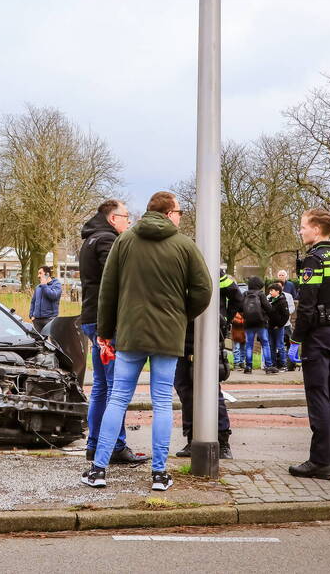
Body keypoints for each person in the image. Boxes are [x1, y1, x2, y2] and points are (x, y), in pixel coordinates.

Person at [80, 191, 212, 492]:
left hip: (130, 334)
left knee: (117, 398)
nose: (180, 216)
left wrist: (105, 330)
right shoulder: (184, 245)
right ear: (168, 213)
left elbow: (108, 290)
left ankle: (98, 469)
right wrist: (181, 315)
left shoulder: (125, 241)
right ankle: (159, 473)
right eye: (178, 211)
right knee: (163, 401)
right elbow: (204, 290)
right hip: (167, 335)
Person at [77, 199, 148, 465]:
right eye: (126, 217)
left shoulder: (90, 239)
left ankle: (95, 444)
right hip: (105, 323)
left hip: (91, 319)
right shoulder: (108, 241)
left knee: (100, 388)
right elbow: (117, 279)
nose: (129, 222)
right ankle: (115, 446)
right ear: (112, 218)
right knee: (115, 389)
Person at [287, 208, 330, 480]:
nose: (301, 231)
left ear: (316, 230)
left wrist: (296, 339)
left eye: (303, 226)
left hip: (318, 336)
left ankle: (319, 463)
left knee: (319, 397)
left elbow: (306, 306)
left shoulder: (314, 260)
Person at [174, 270, 242, 459]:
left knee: (210, 390)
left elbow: (237, 296)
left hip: (205, 338)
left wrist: (224, 320)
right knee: (185, 389)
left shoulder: (213, 271)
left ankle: (222, 440)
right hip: (184, 338)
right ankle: (192, 439)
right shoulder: (183, 269)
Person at [241, 276, 275, 374]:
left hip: (248, 323)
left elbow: (240, 307)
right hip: (261, 323)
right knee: (265, 344)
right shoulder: (261, 294)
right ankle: (268, 366)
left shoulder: (245, 294)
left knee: (249, 345)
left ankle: (248, 367)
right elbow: (269, 308)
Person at [29, 266, 62, 333]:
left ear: (47, 274)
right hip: (37, 320)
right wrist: (31, 315)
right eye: (38, 273)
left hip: (49, 319)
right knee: (38, 342)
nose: (38, 276)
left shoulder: (56, 285)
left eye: (40, 273)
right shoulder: (38, 287)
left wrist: (44, 285)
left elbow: (53, 296)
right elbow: (33, 302)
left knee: (53, 341)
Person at [267, 283, 291, 370]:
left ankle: (283, 365)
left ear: (278, 291)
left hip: (278, 328)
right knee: (271, 346)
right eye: (269, 290)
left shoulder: (283, 301)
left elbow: (286, 315)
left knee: (280, 346)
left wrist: (279, 325)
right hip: (270, 327)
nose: (270, 292)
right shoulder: (269, 300)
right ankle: (273, 365)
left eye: (272, 290)